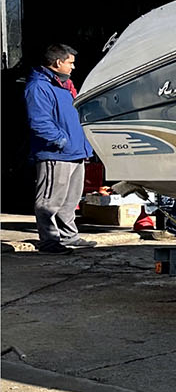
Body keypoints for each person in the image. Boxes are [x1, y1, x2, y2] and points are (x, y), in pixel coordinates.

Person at [24, 43, 95, 254]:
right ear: (57, 62)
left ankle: (69, 236)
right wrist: (61, 141)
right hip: (56, 154)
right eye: (70, 63)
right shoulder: (38, 87)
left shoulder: (65, 86)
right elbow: (39, 121)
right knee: (49, 201)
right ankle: (49, 242)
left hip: (75, 152)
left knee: (70, 200)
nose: (73, 67)